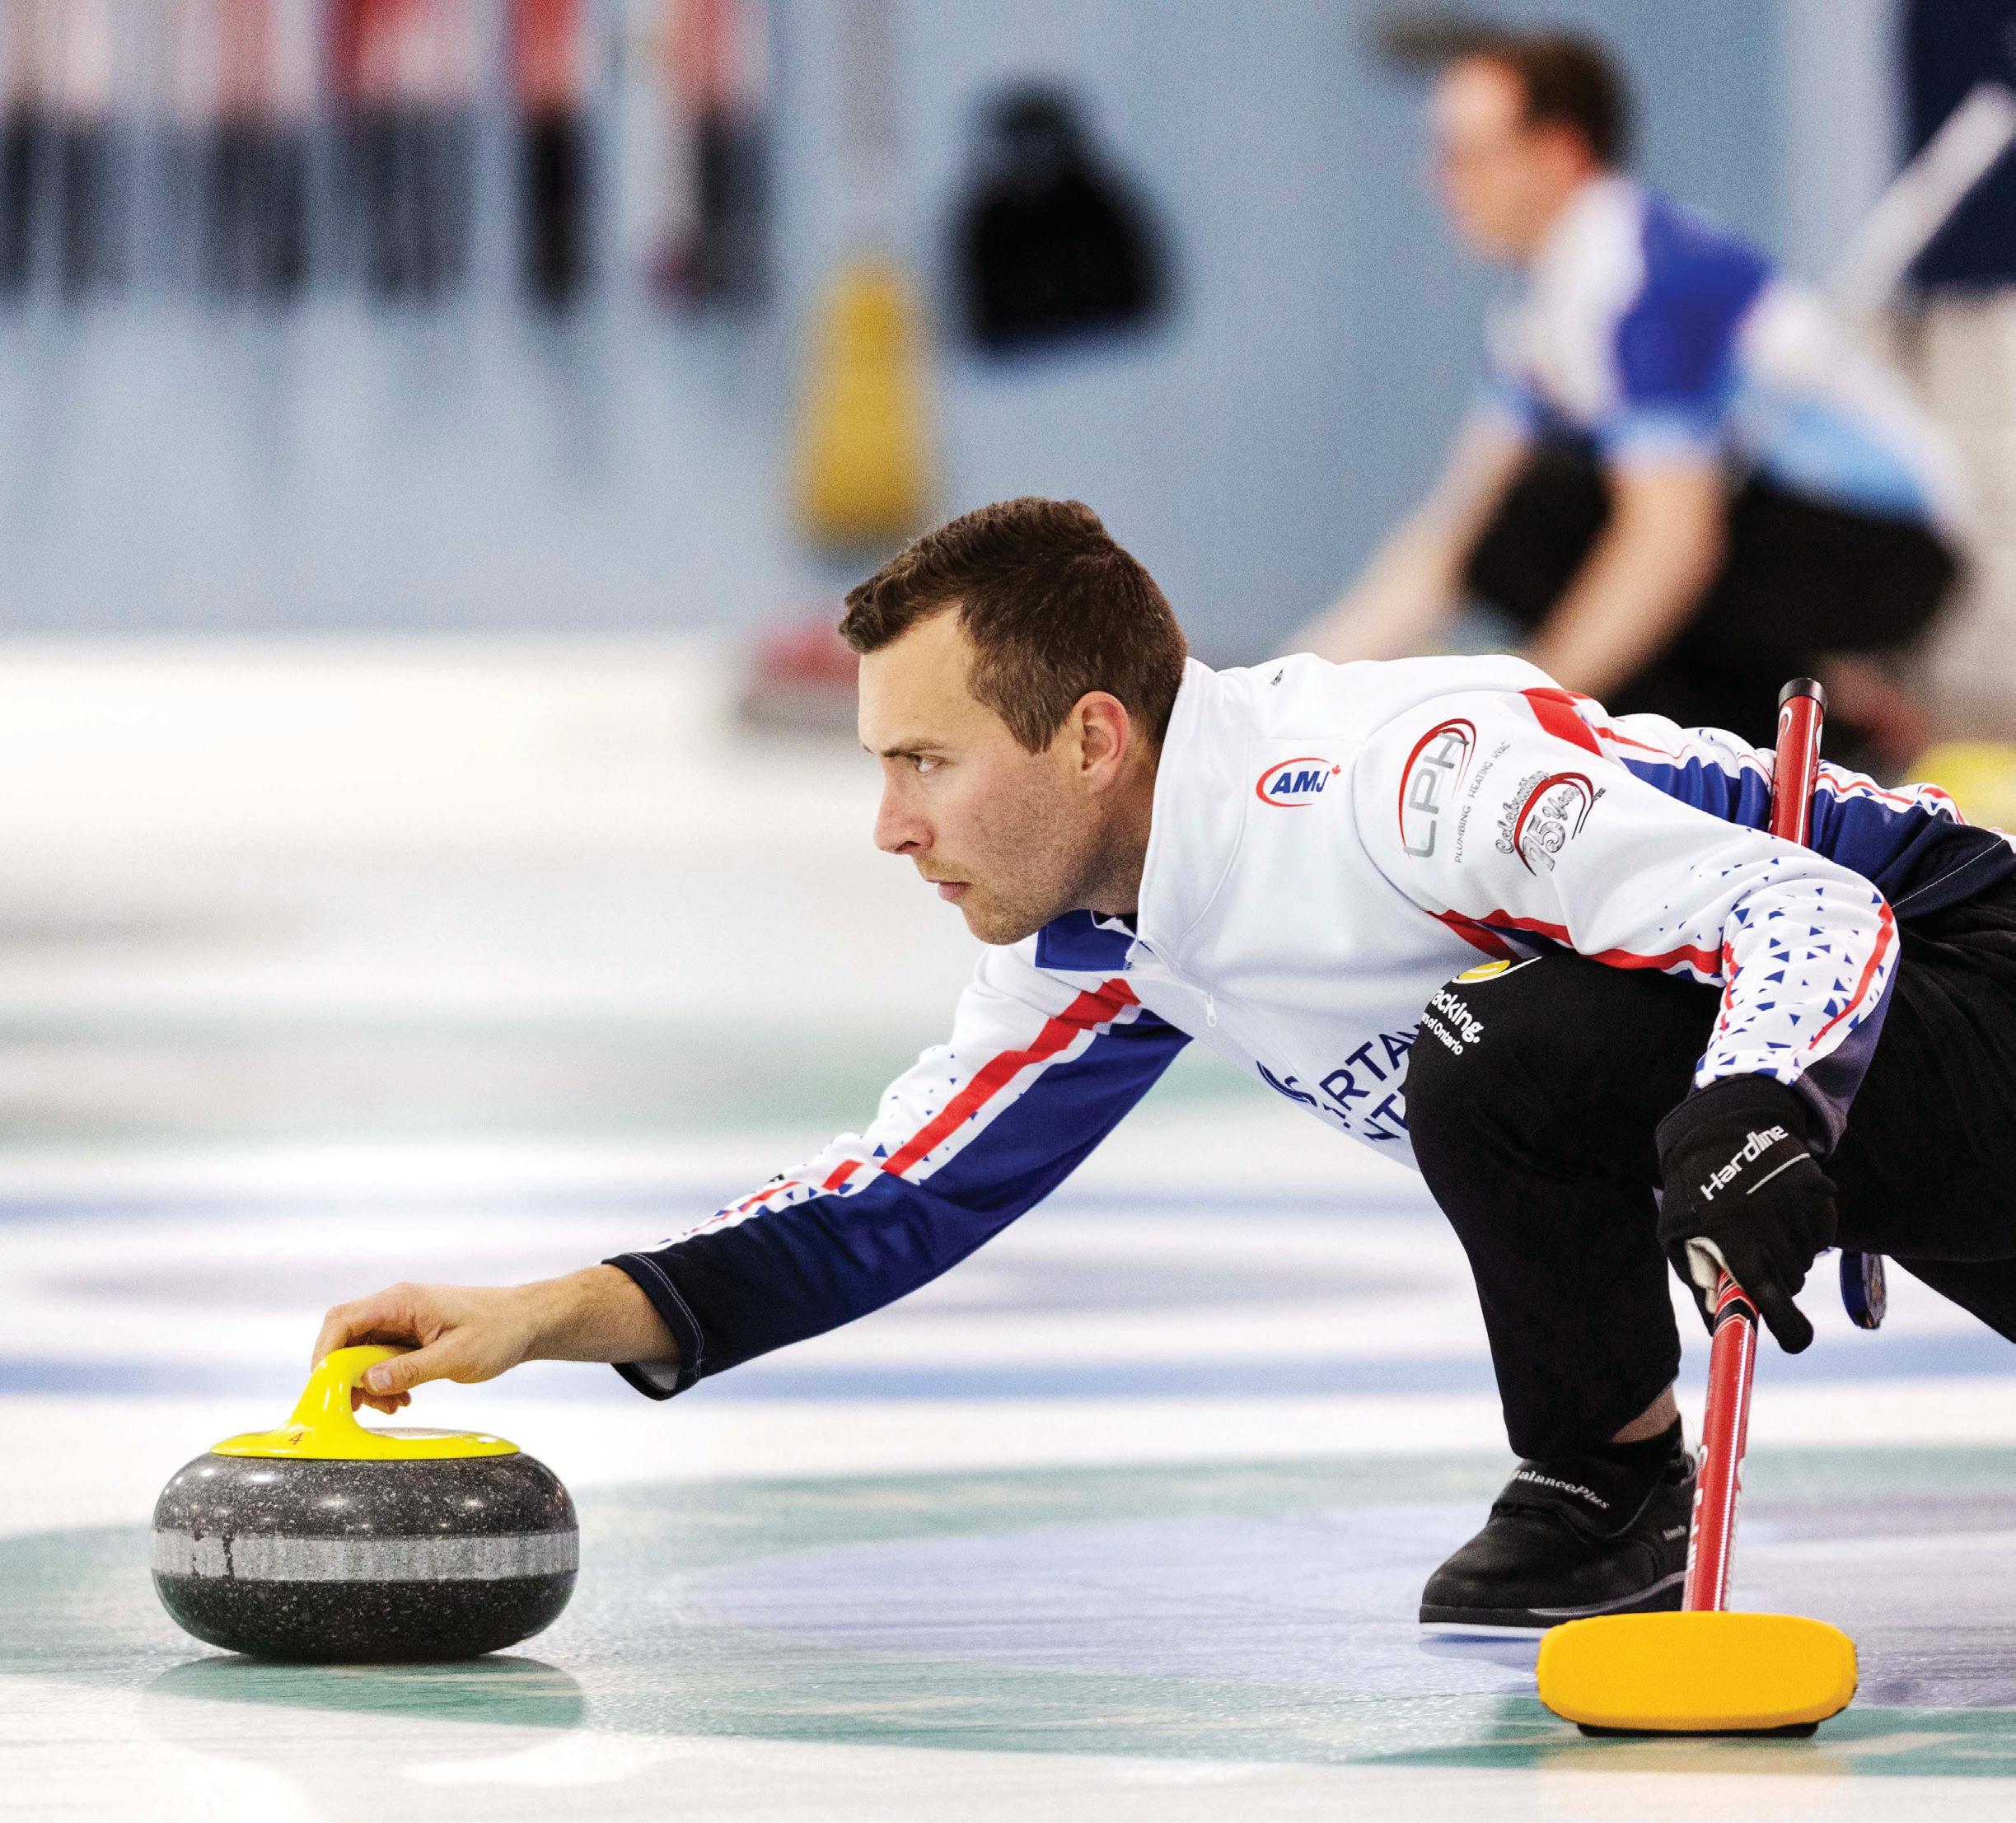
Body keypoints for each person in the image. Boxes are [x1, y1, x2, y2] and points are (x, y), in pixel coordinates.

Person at [317, 498, 2016, 1632]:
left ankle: (1602, 1478)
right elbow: (889, 1199)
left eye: (925, 757)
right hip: (1900, 1122)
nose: (888, 823)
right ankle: (1611, 1478)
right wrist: (548, 1310)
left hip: (1959, 982)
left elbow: (1797, 904)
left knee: (1491, 1047)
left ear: (1090, 735)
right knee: (1497, 1050)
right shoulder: (1112, 933)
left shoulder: (1394, 780)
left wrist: (1756, 1097)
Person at [1298, 31, 1968, 775]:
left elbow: (1670, 542)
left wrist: (1526, 715)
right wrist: (1288, 691)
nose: (1440, 181)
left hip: (1888, 548)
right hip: (1793, 533)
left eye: (1467, 155)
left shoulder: (1636, 281)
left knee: (1543, 528)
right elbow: (1450, 535)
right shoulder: (1542, 308)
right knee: (1515, 535)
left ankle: (1800, 748)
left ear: (1555, 153)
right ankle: (1832, 724)